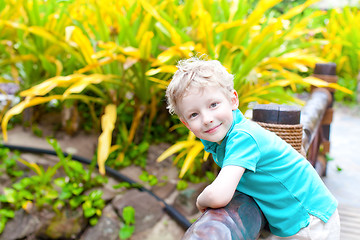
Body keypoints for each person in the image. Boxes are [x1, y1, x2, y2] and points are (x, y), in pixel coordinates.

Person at [165, 56, 340, 239]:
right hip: (298, 218)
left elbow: (219, 195)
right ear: (186, 124)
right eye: (194, 114)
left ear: (233, 100)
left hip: (311, 220)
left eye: (213, 105)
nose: (207, 118)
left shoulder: (244, 137)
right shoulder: (222, 138)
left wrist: (200, 199)